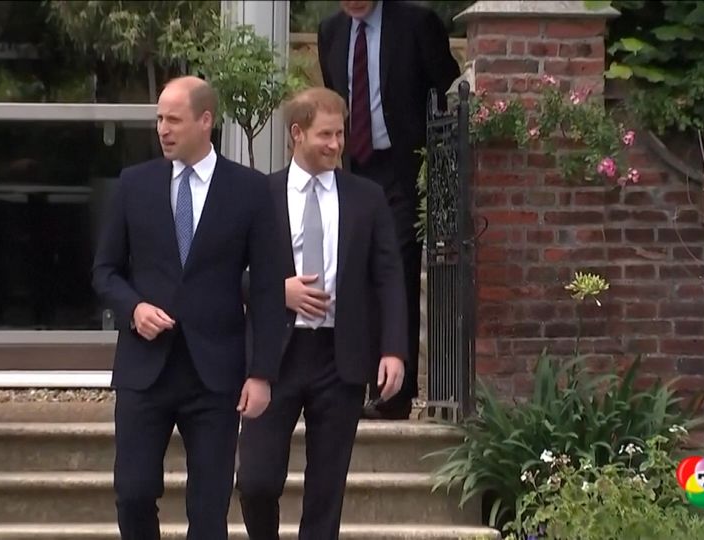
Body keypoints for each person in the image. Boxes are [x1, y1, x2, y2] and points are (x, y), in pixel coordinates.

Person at [92, 76, 285, 540]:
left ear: (205, 121)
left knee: (209, 509)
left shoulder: (250, 190)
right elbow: (105, 271)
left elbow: (267, 289)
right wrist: (134, 309)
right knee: (133, 493)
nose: (163, 129)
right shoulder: (134, 184)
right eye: (159, 119)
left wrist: (261, 373)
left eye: (173, 120)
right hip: (144, 369)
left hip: (215, 374)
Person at [235, 87, 408, 540]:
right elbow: (224, 272)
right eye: (325, 135)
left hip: (340, 357)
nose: (336, 144)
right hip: (274, 358)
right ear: (297, 133)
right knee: (255, 481)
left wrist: (393, 349)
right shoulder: (259, 195)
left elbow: (389, 276)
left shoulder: (366, 197)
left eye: (340, 134)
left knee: (326, 492)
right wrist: (277, 291)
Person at [317, 0, 460, 419]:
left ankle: (395, 394)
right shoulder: (331, 32)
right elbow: (335, 101)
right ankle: (358, 383)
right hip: (355, 170)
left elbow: (447, 90)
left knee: (394, 268)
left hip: (404, 170)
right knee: (355, 271)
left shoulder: (417, 24)